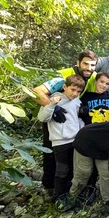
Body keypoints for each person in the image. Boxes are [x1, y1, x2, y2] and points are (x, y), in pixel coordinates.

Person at [33, 50, 98, 195]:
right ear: (78, 63)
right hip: (53, 116)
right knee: (50, 154)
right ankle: (50, 187)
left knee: (71, 161)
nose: (88, 67)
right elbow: (36, 91)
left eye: (92, 65)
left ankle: (69, 189)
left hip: (73, 121)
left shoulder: (93, 76)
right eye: (85, 64)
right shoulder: (62, 77)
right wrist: (53, 108)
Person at [37, 75, 85, 210]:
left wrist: (81, 129)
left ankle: (69, 194)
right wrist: (52, 105)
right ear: (65, 87)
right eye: (72, 90)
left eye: (78, 91)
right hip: (60, 141)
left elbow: (77, 119)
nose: (75, 93)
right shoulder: (54, 99)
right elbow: (42, 117)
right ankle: (58, 194)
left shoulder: (76, 101)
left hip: (75, 139)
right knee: (62, 170)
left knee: (73, 168)